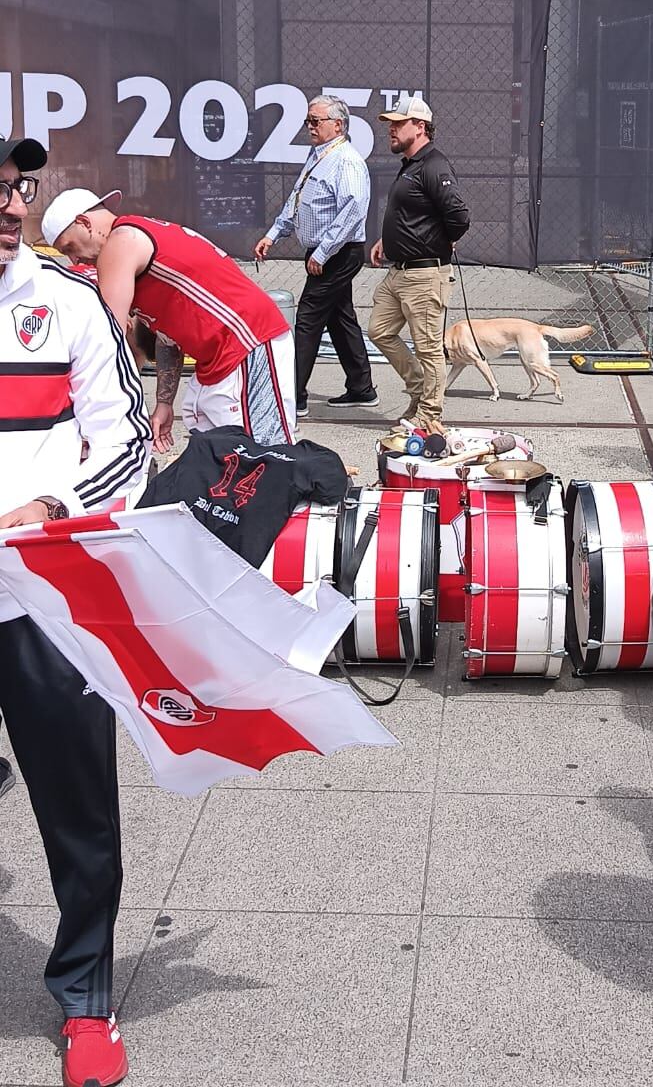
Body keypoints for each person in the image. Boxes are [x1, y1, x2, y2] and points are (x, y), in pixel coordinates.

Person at [0, 135, 150, 1087]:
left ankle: (86, 999)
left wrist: (54, 507)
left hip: (47, 600)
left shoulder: (68, 299)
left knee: (80, 813)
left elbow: (127, 438)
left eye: (15, 187)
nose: (11, 205)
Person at [43, 190, 296, 448]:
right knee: (222, 454)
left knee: (266, 453)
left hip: (247, 341)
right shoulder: (137, 236)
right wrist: (164, 402)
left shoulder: (121, 242)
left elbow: (109, 339)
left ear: (84, 223)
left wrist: (87, 418)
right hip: (225, 352)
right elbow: (166, 335)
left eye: (70, 248)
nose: (74, 259)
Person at [253, 94, 378, 417]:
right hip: (325, 252)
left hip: (338, 252)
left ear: (338, 125)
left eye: (316, 121)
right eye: (308, 120)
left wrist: (323, 252)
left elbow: (353, 210)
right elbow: (297, 199)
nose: (310, 126)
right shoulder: (319, 155)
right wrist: (273, 234)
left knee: (308, 320)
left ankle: (293, 396)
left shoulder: (347, 161)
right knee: (340, 318)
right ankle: (361, 388)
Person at [368, 94, 470, 430]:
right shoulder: (411, 165)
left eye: (398, 123)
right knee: (379, 331)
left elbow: (459, 216)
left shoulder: (434, 165)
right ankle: (419, 388)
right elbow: (413, 214)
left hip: (424, 275)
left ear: (420, 126)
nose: (391, 129)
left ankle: (429, 415)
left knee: (428, 349)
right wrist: (388, 240)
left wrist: (444, 240)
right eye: (391, 124)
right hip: (399, 272)